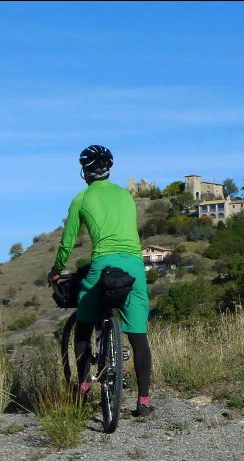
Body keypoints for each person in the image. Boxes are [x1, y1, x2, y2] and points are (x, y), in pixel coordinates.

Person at [47, 144, 154, 418]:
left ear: (84, 171)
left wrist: (57, 270)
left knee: (84, 323)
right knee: (139, 336)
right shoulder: (126, 196)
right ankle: (143, 401)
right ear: (109, 169)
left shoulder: (82, 199)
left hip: (103, 263)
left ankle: (83, 385)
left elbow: (67, 242)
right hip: (133, 265)